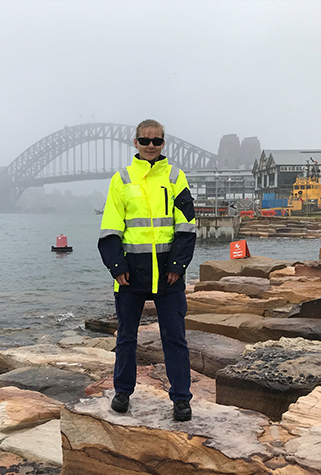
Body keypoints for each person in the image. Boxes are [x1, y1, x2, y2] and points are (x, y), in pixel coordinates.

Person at [98, 119, 196, 421]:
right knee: (126, 337)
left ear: (164, 143)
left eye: (156, 141)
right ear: (135, 143)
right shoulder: (122, 179)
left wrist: (178, 266)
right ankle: (123, 392)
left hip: (169, 274)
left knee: (175, 338)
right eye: (144, 140)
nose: (150, 146)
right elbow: (110, 228)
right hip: (131, 275)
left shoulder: (176, 177)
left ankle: (181, 398)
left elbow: (187, 226)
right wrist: (117, 267)